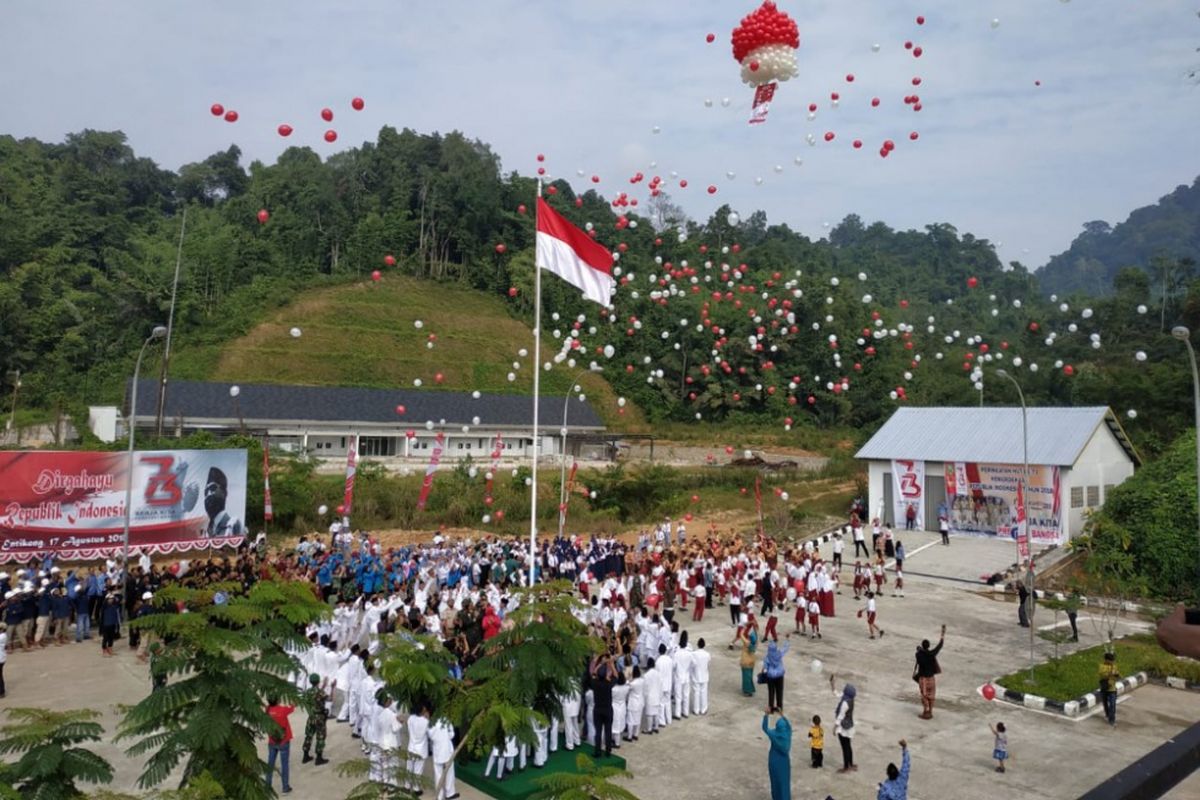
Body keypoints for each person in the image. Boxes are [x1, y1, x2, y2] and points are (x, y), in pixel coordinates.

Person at [913, 624, 946, 719]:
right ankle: (930, 711)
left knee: (924, 695)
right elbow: (940, 646)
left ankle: (925, 712)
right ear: (928, 646)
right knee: (931, 695)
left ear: (922, 646)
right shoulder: (932, 653)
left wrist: (919, 649)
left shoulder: (918, 654)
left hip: (923, 678)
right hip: (931, 678)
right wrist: (942, 634)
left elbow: (919, 654)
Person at [264, 696, 295, 794]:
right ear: (277, 700)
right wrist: (292, 701)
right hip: (283, 741)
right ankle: (285, 788)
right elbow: (292, 707)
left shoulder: (268, 710)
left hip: (272, 741)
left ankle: (267, 787)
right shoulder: (283, 710)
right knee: (284, 764)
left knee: (270, 764)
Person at [762, 707, 793, 800]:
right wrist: (782, 714)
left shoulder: (774, 734)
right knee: (784, 782)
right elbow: (789, 725)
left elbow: (765, 728)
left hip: (774, 760)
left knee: (775, 782)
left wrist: (766, 715)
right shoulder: (788, 733)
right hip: (784, 762)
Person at [301, 674, 329, 766]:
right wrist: (331, 687)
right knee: (320, 737)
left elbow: (306, 702)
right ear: (318, 681)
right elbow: (328, 698)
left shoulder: (307, 692)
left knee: (308, 736)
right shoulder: (321, 692)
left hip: (311, 717)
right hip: (320, 718)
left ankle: (305, 756)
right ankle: (319, 758)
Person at [430, 716, 459, 800]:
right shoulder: (446, 720)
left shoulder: (431, 722)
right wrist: (445, 737)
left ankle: (439, 796)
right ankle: (450, 793)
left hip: (437, 752)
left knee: (438, 774)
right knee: (450, 773)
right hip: (447, 751)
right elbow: (452, 734)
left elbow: (431, 736)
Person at [763, 634, 791, 712]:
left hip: (771, 676)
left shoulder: (767, 656)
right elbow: (785, 648)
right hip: (779, 675)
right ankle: (779, 707)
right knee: (780, 691)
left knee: (771, 692)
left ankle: (771, 708)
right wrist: (787, 639)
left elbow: (765, 667)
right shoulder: (779, 653)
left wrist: (764, 671)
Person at [833, 681, 857, 773]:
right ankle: (850, 764)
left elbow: (840, 716)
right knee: (848, 746)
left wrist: (835, 728)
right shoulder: (850, 699)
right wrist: (832, 684)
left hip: (843, 728)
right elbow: (837, 694)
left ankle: (846, 767)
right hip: (849, 726)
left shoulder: (845, 703)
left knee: (845, 747)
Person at [737, 621, 759, 697]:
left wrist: (746, 626)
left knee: (745, 676)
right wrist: (755, 628)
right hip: (752, 661)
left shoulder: (746, 642)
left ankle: (747, 690)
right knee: (750, 675)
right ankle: (750, 689)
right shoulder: (755, 643)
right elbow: (756, 635)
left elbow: (741, 634)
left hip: (745, 661)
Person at [1099, 651, 1120, 727]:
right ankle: (1107, 714)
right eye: (1110, 660)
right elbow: (1103, 675)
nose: (1112, 662)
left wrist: (1117, 675)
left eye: (1112, 660)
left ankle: (1112, 720)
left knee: (1112, 705)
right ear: (1106, 660)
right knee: (1105, 703)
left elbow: (1117, 675)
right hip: (1104, 688)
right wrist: (1111, 673)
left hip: (1112, 689)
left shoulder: (1114, 666)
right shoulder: (1102, 666)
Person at [691, 638, 711, 715]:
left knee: (696, 693)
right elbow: (708, 664)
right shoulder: (707, 654)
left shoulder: (694, 654)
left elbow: (692, 664)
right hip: (704, 675)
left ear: (698, 645)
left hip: (696, 675)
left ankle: (696, 710)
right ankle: (703, 709)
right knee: (704, 692)